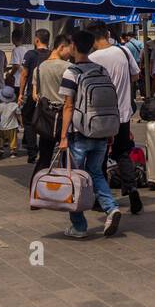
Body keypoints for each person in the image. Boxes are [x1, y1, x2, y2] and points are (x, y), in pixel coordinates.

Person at [57, 30, 125, 239]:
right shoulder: (101, 71)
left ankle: (79, 226)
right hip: (101, 131)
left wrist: (63, 137)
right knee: (95, 173)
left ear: (75, 46)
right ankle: (111, 208)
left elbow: (68, 106)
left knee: (75, 179)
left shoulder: (72, 72)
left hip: (79, 133)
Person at [88, 23, 143, 213]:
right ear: (107, 34)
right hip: (123, 113)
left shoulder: (92, 58)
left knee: (99, 156)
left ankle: (101, 198)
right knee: (123, 152)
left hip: (101, 115)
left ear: (92, 38)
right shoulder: (124, 52)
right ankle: (132, 188)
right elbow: (136, 76)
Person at [30, 35, 72, 173]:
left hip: (45, 119)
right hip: (64, 119)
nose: (70, 53)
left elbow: (35, 95)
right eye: (69, 49)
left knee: (44, 158)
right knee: (67, 159)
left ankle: (36, 188)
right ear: (61, 47)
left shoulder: (39, 68)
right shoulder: (69, 68)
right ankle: (67, 189)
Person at [17, 29, 52, 160]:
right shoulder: (51, 54)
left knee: (28, 122)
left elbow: (24, 74)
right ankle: (45, 152)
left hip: (33, 94)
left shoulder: (30, 54)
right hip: (48, 95)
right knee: (46, 123)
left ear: (37, 40)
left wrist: (20, 93)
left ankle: (32, 153)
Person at [0, 85, 22, 157]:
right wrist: (21, 123)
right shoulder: (14, 105)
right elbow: (18, 115)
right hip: (13, 126)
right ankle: (12, 151)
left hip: (3, 126)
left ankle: (1, 150)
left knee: (1, 138)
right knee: (13, 139)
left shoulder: (0, 105)